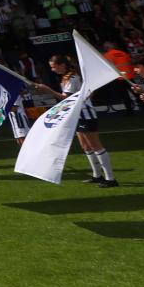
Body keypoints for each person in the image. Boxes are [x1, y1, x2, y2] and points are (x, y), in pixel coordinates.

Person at [32, 53, 117, 188]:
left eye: (54, 67)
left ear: (62, 65)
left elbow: (66, 98)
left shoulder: (72, 78)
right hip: (77, 114)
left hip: (85, 114)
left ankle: (110, 178)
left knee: (95, 145)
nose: (53, 70)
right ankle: (97, 175)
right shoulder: (67, 77)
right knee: (86, 146)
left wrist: (47, 89)